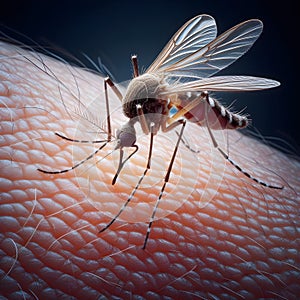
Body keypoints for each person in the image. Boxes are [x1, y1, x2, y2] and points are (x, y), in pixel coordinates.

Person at [0, 41, 299, 299]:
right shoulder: (134, 111)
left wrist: (147, 170)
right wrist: (109, 138)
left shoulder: (149, 111)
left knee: (183, 116)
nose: (125, 144)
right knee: (111, 83)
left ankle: (220, 155)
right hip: (154, 102)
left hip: (193, 103)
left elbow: (167, 119)